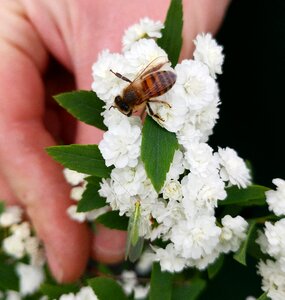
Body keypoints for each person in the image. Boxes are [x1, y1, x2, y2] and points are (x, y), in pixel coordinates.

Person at [0, 0, 230, 283]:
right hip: (161, 81)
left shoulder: (136, 97)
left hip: (168, 87)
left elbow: (149, 93)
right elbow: (150, 74)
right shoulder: (135, 88)